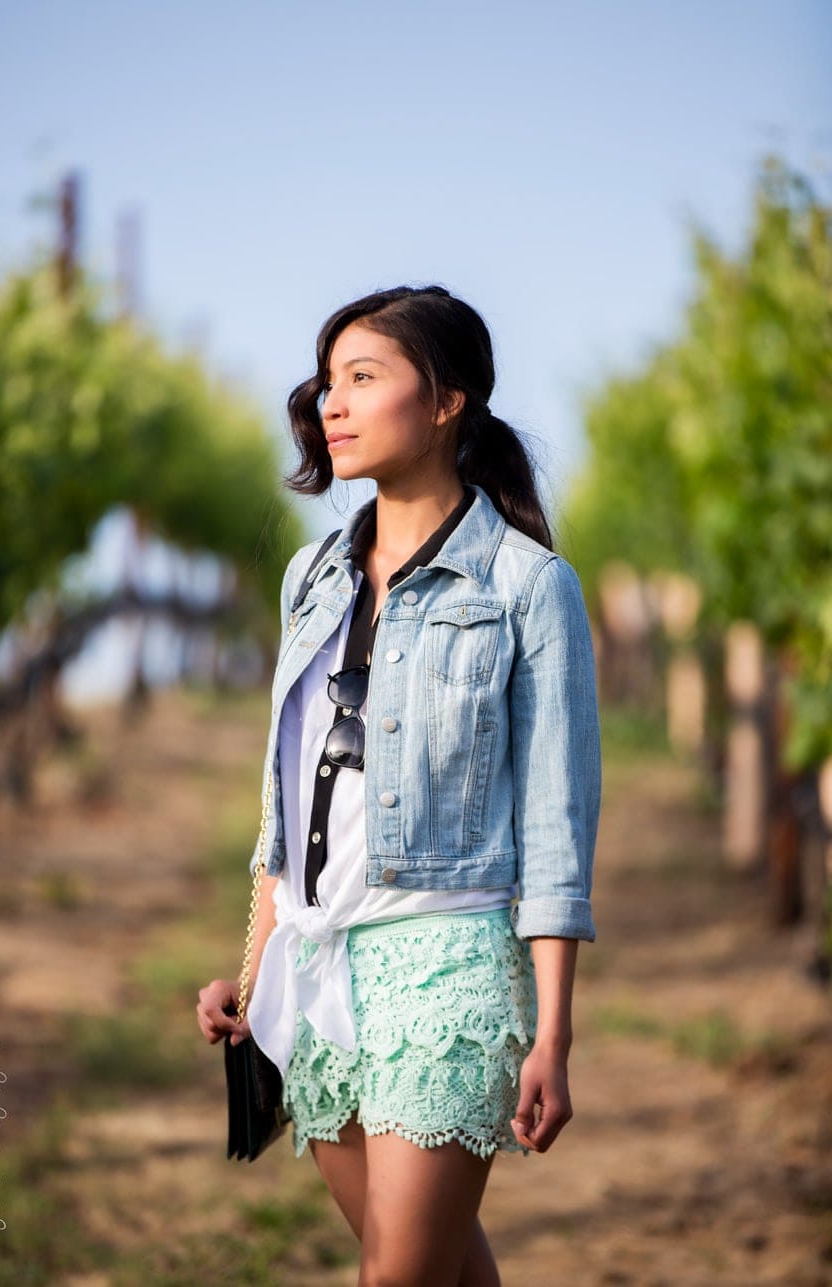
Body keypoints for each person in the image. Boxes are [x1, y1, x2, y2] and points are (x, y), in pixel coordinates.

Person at [197, 284, 602, 1286]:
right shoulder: (312, 575)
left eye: (363, 378)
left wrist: (552, 1035)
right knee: (433, 1268)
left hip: (448, 966)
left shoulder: (525, 586)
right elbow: (285, 801)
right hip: (313, 966)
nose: (330, 404)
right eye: (326, 382)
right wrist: (252, 976)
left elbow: (557, 824)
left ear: (447, 399)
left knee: (397, 1278)